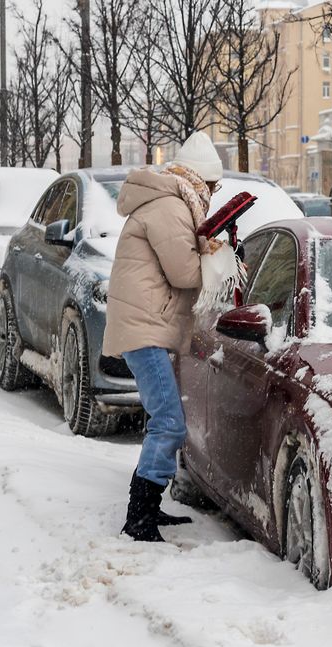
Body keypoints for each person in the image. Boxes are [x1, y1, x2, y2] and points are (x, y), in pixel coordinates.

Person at [104, 132, 224, 542]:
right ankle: (139, 516)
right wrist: (211, 253)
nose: (213, 194)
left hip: (147, 324)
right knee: (169, 422)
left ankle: (148, 510)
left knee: (165, 420)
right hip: (145, 327)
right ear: (199, 181)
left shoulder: (168, 203)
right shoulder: (171, 207)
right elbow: (184, 273)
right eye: (213, 186)